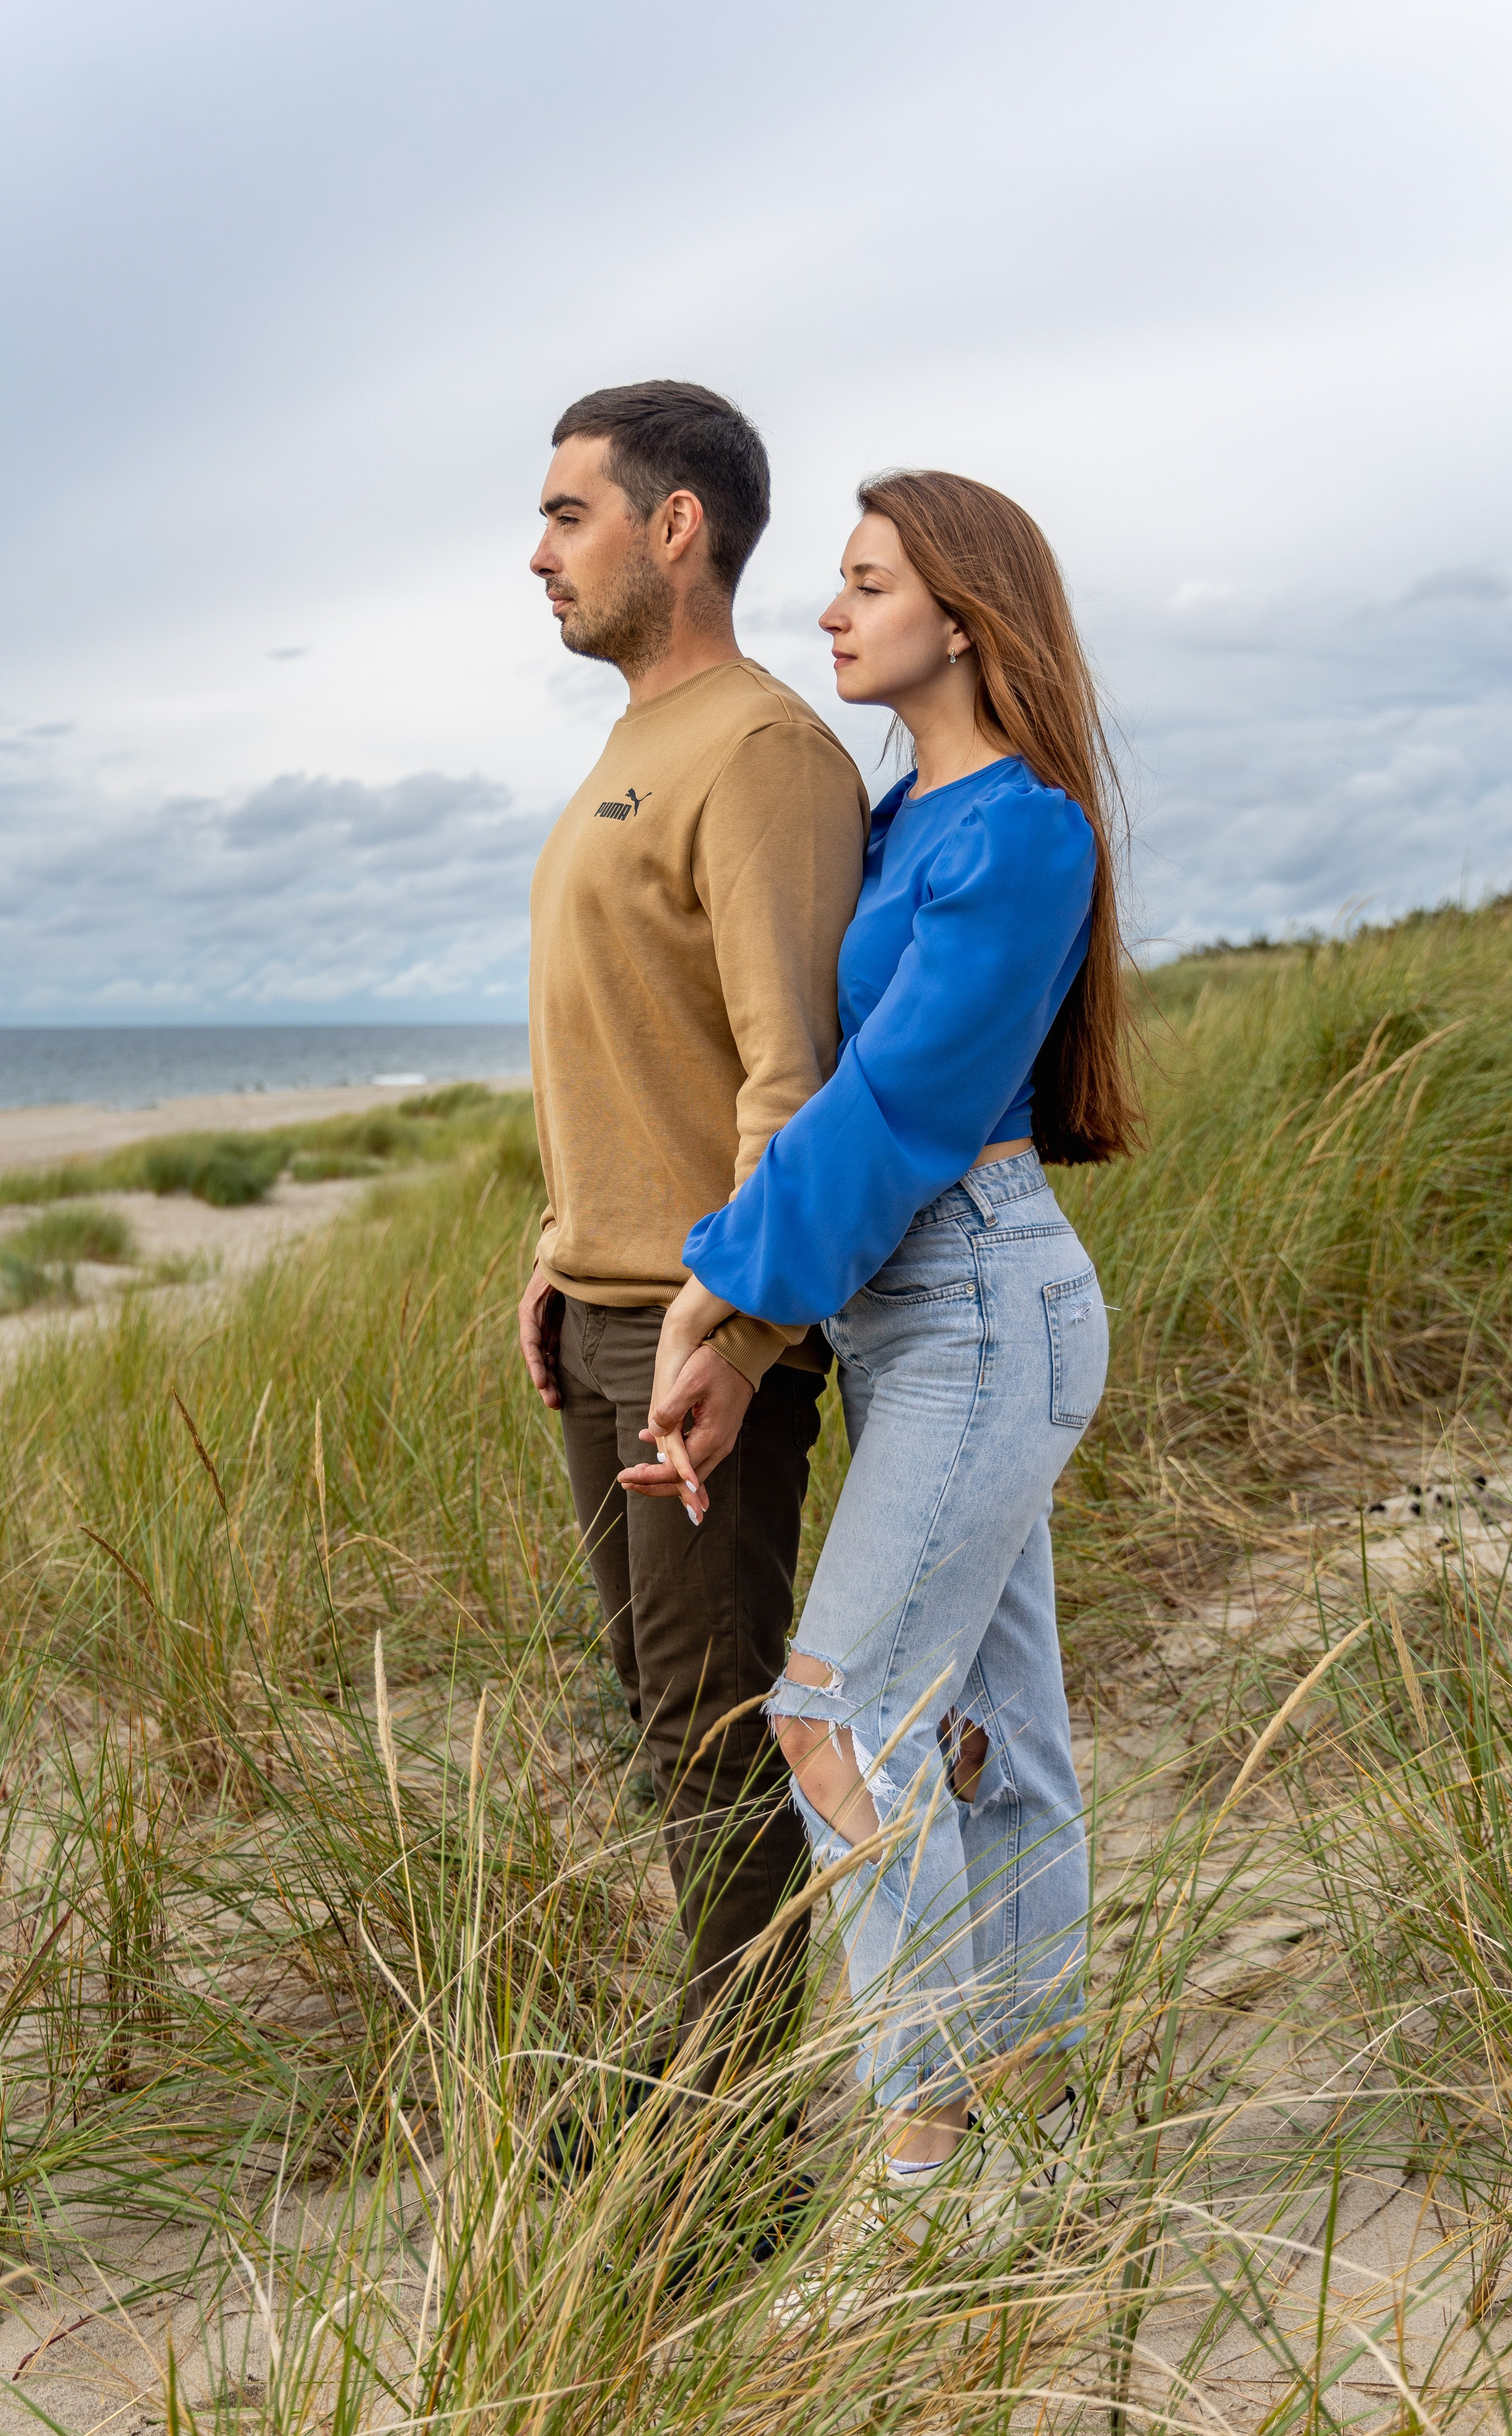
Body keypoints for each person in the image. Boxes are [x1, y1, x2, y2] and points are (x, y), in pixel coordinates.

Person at [622, 467, 1139, 2239]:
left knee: (829, 1717)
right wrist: (755, 1314)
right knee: (998, 1733)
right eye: (835, 585)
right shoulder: (909, 812)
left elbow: (897, 1102)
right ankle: (1034, 2140)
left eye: (863, 584)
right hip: (918, 1313)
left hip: (982, 1303)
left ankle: (924, 2180)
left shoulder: (1023, 833)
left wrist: (713, 1297)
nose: (829, 613)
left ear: (966, 617)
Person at [519, 381, 869, 2093]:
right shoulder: (633, 739)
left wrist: (733, 1337)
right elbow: (634, 1037)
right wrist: (559, 1236)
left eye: (567, 513)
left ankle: (728, 2162)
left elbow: (785, 1078)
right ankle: (716, 2102)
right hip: (600, 1307)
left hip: (695, 1330)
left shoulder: (764, 750)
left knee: (717, 1731)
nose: (537, 555)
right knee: (665, 1724)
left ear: (676, 528)